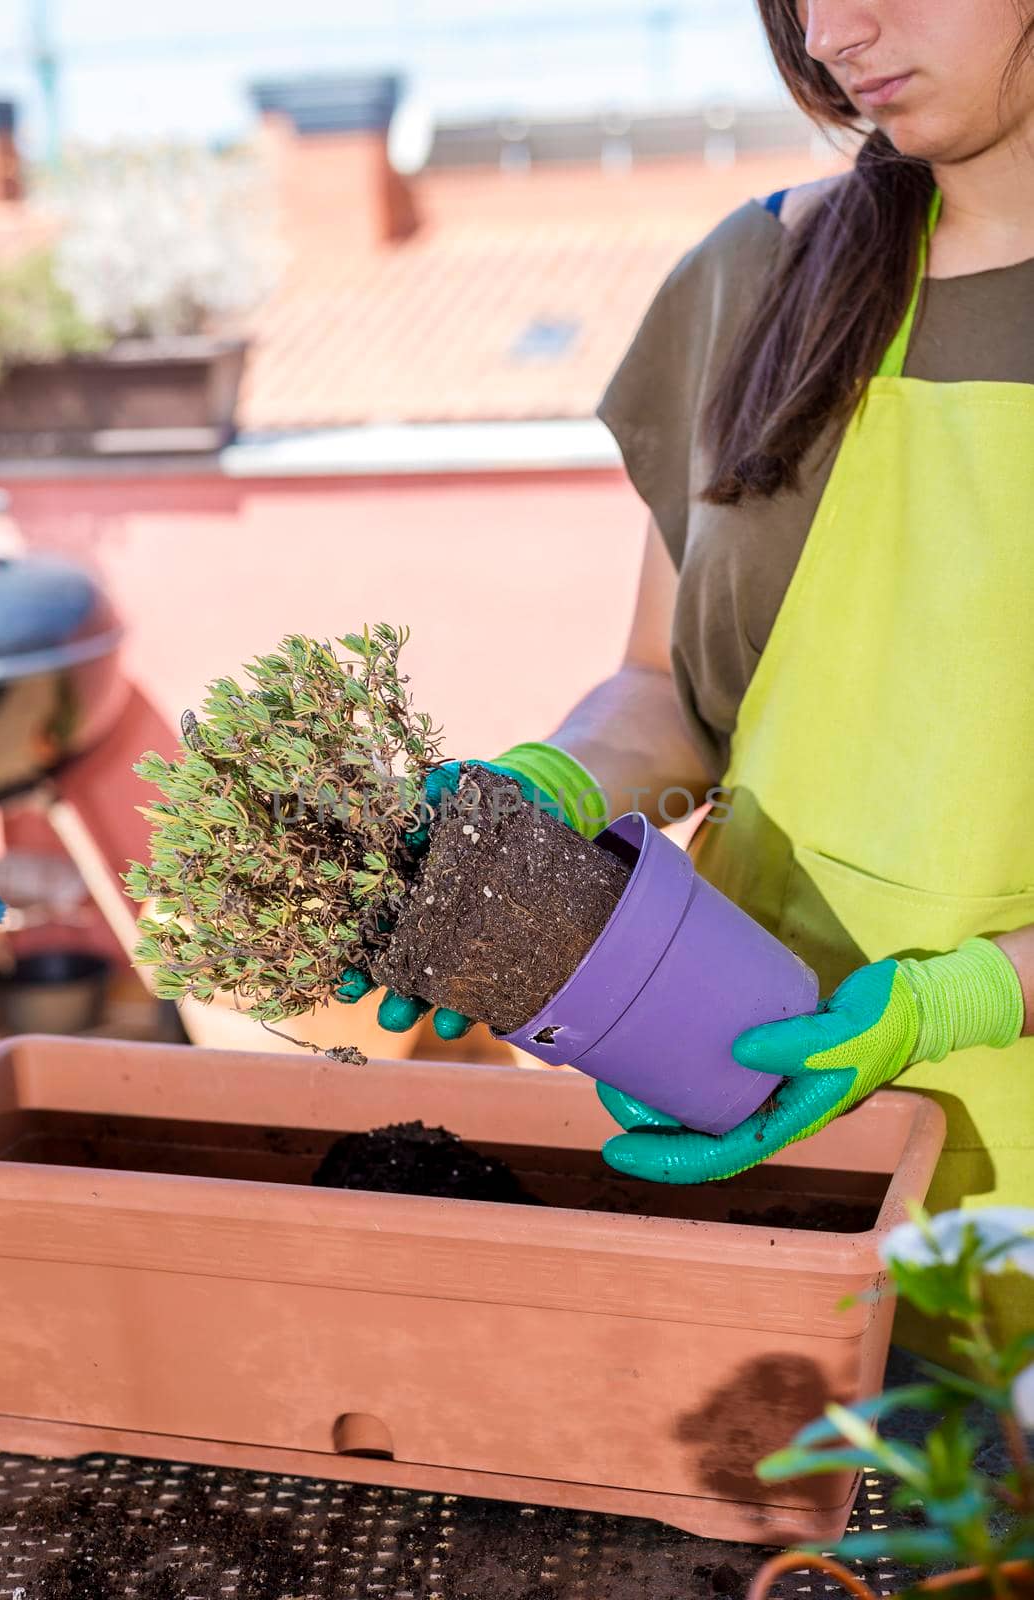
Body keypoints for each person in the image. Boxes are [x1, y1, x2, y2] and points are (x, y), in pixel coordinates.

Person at [343, 0, 1034, 1354]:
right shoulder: (763, 275)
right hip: (752, 1098)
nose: (835, 29)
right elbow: (665, 689)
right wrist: (540, 798)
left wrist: (964, 999)